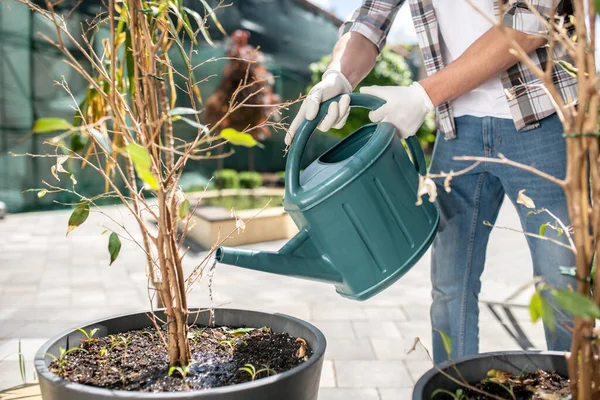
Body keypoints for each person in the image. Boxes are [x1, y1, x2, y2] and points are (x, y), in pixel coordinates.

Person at [286, 0, 577, 364]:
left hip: (542, 120)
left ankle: (577, 388)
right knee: (449, 289)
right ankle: (453, 386)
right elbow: (369, 19)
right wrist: (338, 76)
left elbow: (530, 20)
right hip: (457, 129)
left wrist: (422, 95)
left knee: (563, 287)